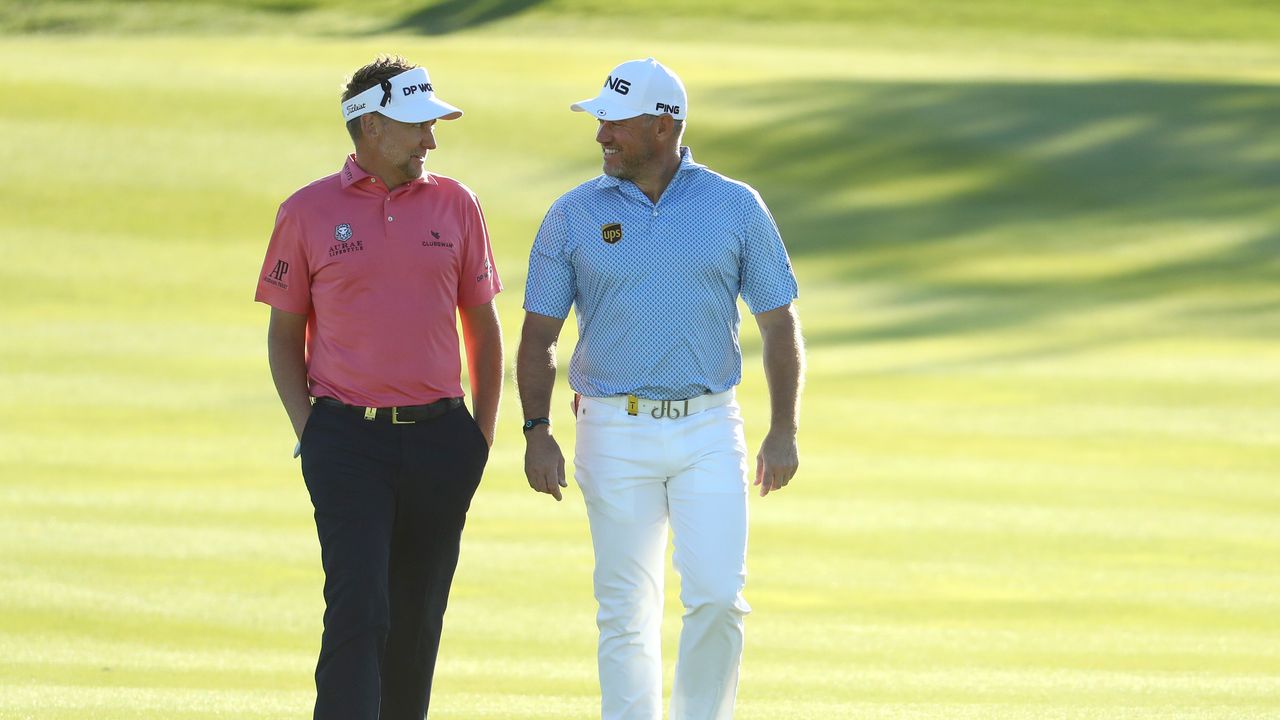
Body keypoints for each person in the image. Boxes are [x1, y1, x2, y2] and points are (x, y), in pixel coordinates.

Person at [516, 57, 805, 720]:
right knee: (625, 608)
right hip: (612, 427)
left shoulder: (734, 206)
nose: (600, 137)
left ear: (663, 124)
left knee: (717, 596)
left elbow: (778, 319)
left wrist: (783, 428)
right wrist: (538, 432)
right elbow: (538, 337)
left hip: (709, 426)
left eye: (613, 123)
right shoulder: (572, 215)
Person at [254, 54, 503, 720]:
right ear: (368, 126)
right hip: (346, 441)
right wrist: (314, 433)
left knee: (418, 618)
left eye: (432, 126)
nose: (431, 140)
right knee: (360, 610)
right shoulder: (307, 211)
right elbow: (284, 337)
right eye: (417, 125)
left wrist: (478, 438)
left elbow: (483, 326)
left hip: (441, 438)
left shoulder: (457, 204)